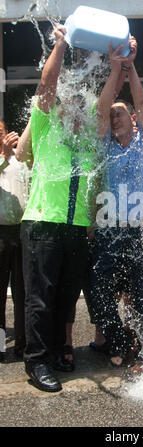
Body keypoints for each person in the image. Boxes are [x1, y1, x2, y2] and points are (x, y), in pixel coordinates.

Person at [15, 24, 98, 392]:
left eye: (83, 106)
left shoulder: (86, 141)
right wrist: (62, 45)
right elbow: (47, 85)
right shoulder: (46, 126)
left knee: (65, 298)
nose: (77, 111)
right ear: (61, 108)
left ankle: (54, 353)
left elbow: (110, 93)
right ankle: (36, 363)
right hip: (43, 223)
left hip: (75, 226)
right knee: (40, 299)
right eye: (72, 104)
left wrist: (119, 66)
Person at [85, 37, 143, 368]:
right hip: (108, 229)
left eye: (121, 114)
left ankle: (137, 346)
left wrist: (129, 67)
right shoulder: (106, 147)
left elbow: (142, 104)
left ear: (131, 118)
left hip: (139, 230)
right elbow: (102, 108)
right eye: (112, 117)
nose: (114, 119)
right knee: (100, 290)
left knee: (140, 294)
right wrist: (116, 70)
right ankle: (116, 338)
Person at [0, 120, 29, 362]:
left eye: (1, 132)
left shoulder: (19, 161)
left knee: (22, 292)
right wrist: (3, 156)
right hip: (0, 233)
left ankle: (22, 343)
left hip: (21, 233)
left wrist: (18, 153)